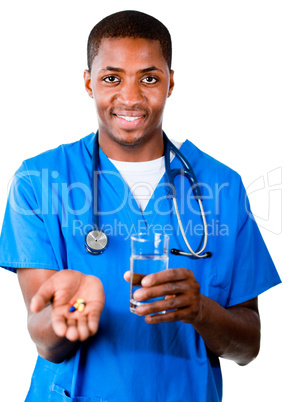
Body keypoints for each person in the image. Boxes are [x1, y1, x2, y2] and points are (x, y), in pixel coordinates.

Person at [0, 10, 281, 402]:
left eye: (149, 78)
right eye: (111, 78)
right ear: (88, 83)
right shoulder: (39, 181)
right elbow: (47, 341)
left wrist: (200, 309)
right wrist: (70, 314)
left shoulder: (222, 187)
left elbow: (248, 347)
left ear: (170, 84)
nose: (130, 97)